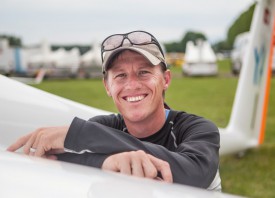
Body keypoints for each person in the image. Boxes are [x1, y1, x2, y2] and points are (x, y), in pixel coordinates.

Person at [7, 30, 221, 191]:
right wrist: (108, 162)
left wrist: (77, 134)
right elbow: (50, 162)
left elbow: (196, 173)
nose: (132, 85)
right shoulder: (103, 127)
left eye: (144, 72)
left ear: (165, 79)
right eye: (120, 75)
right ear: (107, 86)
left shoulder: (198, 129)